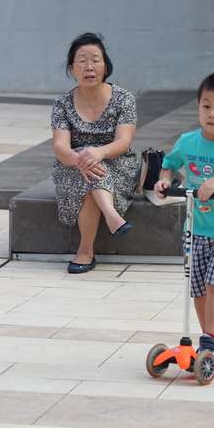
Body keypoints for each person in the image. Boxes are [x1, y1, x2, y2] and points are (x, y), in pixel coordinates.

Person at [154, 71, 214, 357]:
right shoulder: (187, 142)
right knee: (197, 289)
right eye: (206, 106)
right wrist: (164, 181)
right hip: (195, 229)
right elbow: (169, 165)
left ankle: (209, 340)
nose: (212, 114)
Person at [51, 33, 138, 274]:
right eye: (82, 61)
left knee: (92, 171)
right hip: (73, 166)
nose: (89, 66)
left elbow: (124, 141)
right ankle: (113, 218)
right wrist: (81, 159)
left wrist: (98, 152)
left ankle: (85, 251)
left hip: (117, 162)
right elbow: (60, 147)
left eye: (95, 60)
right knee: (87, 171)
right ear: (72, 68)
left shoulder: (124, 99)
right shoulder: (62, 104)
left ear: (105, 65)